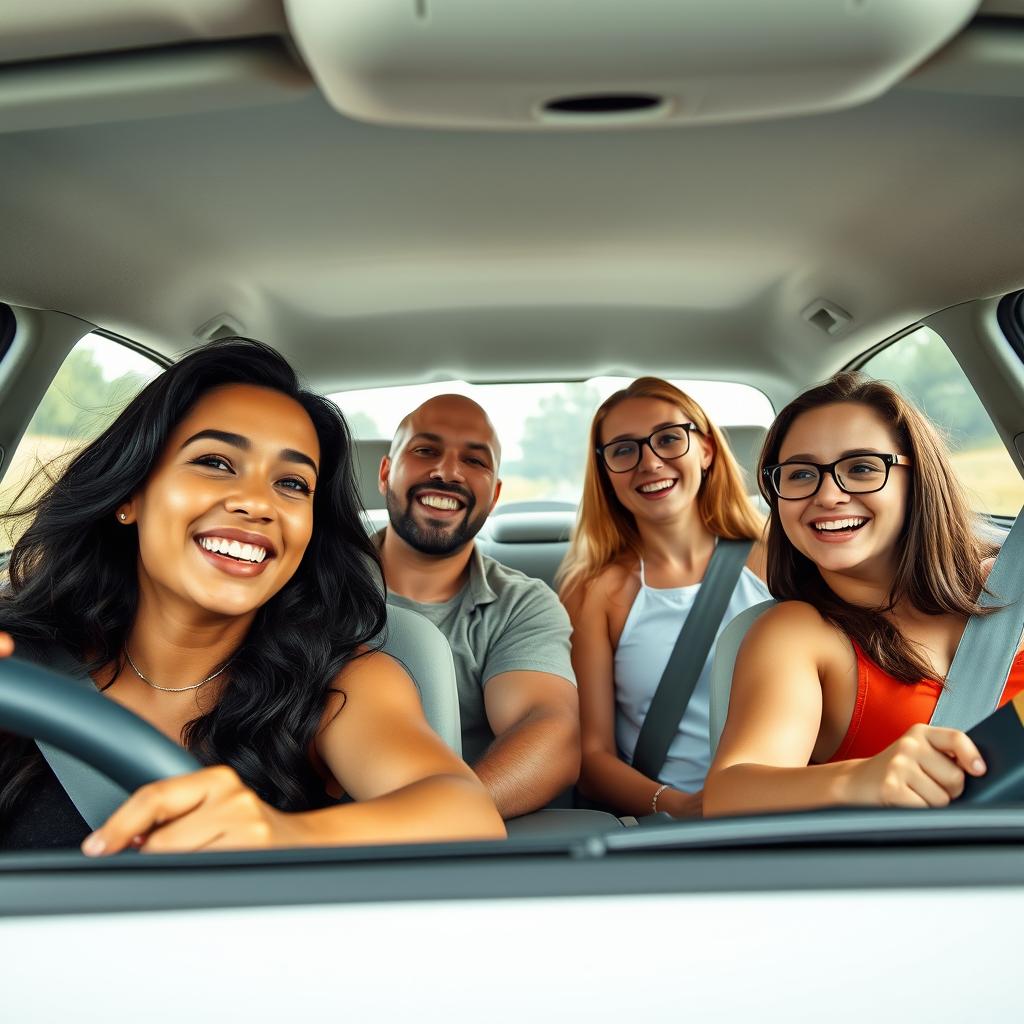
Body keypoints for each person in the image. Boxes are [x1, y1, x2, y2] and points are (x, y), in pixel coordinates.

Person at [0, 339, 504, 852]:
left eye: (291, 483)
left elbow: (466, 811)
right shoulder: (19, 657)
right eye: (216, 462)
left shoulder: (338, 682)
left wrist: (284, 833)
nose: (257, 503)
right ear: (131, 493)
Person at [703, 371, 1024, 816]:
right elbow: (729, 794)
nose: (829, 495)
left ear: (917, 479)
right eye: (800, 474)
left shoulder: (1015, 583)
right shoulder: (799, 633)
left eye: (861, 468)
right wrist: (863, 777)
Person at [558, 377, 768, 819]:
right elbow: (592, 759)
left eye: (669, 439)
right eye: (623, 449)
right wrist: (683, 806)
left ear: (706, 450)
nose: (649, 462)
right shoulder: (596, 590)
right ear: (605, 471)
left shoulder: (779, 558)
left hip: (784, 802)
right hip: (672, 821)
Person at [376, 394, 580, 819]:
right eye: (426, 450)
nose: (447, 472)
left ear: (495, 492)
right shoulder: (312, 585)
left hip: (465, 830)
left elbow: (550, 732)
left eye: (474, 461)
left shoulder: (523, 605)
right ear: (385, 472)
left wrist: (429, 822)